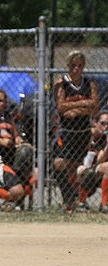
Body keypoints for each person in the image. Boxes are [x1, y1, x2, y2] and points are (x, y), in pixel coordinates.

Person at [52, 50, 98, 211]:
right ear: (68, 66)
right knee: (61, 164)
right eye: (73, 65)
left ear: (83, 66)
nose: (76, 69)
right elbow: (61, 106)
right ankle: (68, 199)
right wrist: (83, 103)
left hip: (83, 131)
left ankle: (77, 201)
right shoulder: (61, 83)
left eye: (79, 65)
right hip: (66, 132)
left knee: (77, 166)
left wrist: (76, 111)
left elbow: (95, 106)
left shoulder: (89, 83)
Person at [74, 112, 108, 212]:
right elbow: (99, 160)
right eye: (103, 123)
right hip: (88, 168)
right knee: (85, 171)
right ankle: (81, 202)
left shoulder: (103, 137)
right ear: (95, 123)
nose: (106, 126)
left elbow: (99, 160)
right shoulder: (87, 135)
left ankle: (104, 204)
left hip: (97, 168)